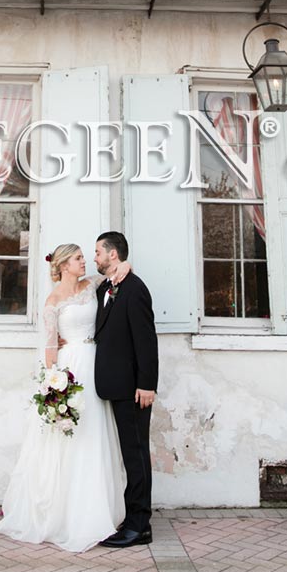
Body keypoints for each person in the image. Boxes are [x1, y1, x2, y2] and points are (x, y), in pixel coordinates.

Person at [0, 243, 129, 552]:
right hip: (70, 368)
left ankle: (97, 507)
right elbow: (51, 348)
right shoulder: (52, 302)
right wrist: (54, 385)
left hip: (96, 364)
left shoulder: (92, 285)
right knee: (69, 436)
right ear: (65, 265)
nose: (84, 262)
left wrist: (125, 266)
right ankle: (63, 513)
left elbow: (120, 271)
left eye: (84, 257)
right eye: (78, 258)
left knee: (96, 432)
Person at [94, 231, 158, 548]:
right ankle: (130, 518)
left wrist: (147, 384)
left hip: (134, 389)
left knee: (136, 455)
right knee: (127, 455)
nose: (94, 258)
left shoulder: (135, 289)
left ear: (113, 255)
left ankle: (139, 525)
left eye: (98, 252)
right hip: (113, 386)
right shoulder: (106, 288)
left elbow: (146, 341)